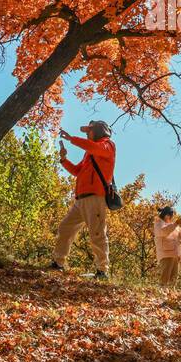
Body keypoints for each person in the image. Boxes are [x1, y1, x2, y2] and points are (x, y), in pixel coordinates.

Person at [49, 119, 116, 279]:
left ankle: (102, 271)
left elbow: (94, 147)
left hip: (95, 198)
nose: (87, 134)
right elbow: (77, 171)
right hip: (80, 200)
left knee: (97, 234)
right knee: (65, 227)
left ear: (99, 131)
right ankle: (58, 263)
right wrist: (64, 160)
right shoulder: (89, 153)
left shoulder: (108, 145)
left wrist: (71, 139)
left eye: (89, 131)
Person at [153, 205, 181, 287]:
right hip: (166, 254)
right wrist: (176, 223)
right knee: (165, 278)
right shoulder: (158, 223)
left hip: (175, 254)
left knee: (173, 279)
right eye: (171, 216)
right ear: (166, 215)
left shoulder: (173, 225)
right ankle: (160, 293)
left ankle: (170, 296)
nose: (172, 218)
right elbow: (163, 232)